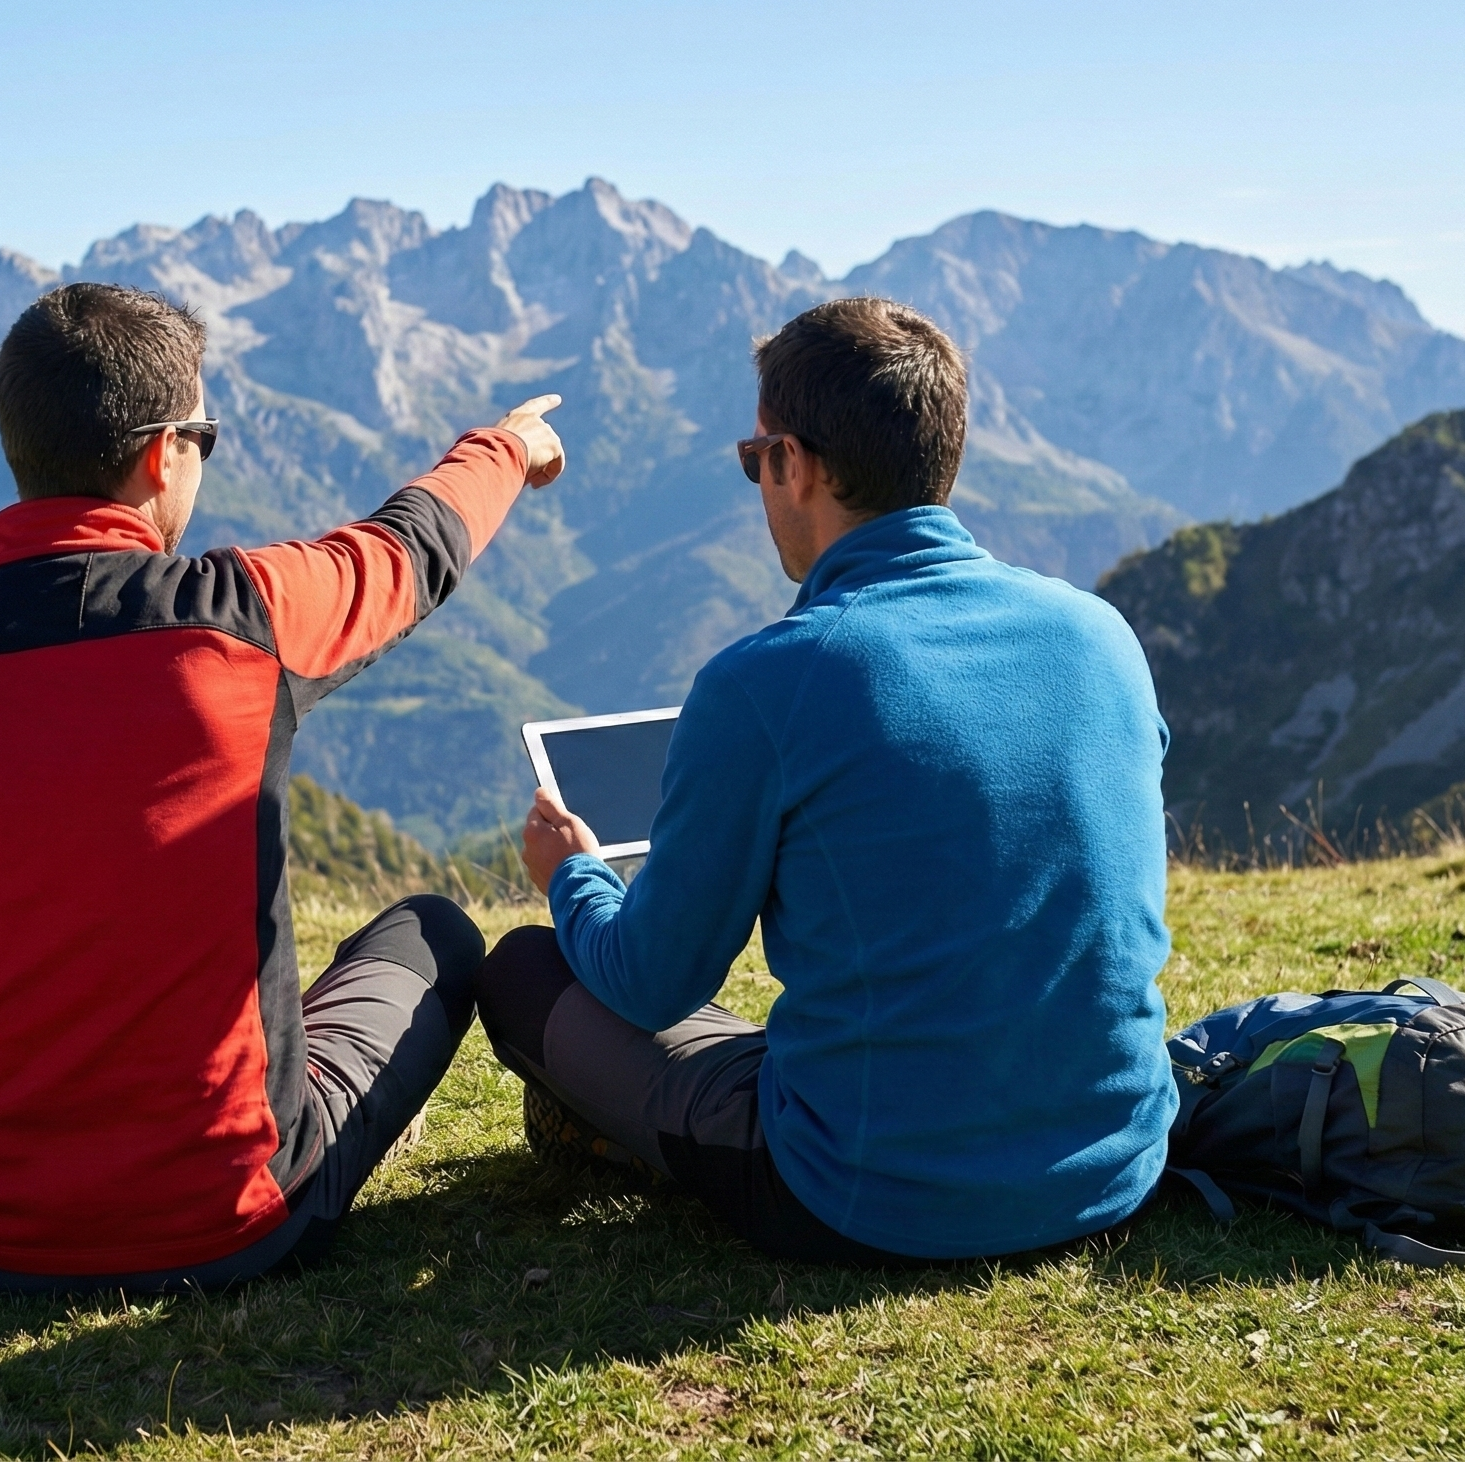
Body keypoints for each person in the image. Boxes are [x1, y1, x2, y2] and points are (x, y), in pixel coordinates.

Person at [0, 282, 566, 1292]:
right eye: (206, 435)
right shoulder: (244, 617)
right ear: (164, 452)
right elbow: (408, 549)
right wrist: (506, 447)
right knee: (433, 932)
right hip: (239, 1219)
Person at [475, 297, 1176, 1265]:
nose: (758, 480)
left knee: (526, 966)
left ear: (794, 464)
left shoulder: (768, 678)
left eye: (751, 458)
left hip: (865, 1196)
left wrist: (571, 874)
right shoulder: (1100, 634)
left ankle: (605, 1131)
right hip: (1115, 1167)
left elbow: (648, 982)